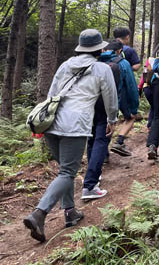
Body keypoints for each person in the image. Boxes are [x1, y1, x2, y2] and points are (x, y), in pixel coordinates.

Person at [23, 29, 118, 243]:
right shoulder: (102, 68)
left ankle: (70, 212)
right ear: (99, 49)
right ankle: (39, 214)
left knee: (64, 171)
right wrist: (112, 119)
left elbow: (51, 95)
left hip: (52, 123)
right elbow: (111, 98)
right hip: (75, 125)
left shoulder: (65, 65)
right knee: (67, 172)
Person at [81, 43, 122, 200]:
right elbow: (112, 93)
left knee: (91, 140)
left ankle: (93, 176)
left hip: (86, 107)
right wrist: (112, 118)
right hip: (103, 108)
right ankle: (90, 185)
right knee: (101, 141)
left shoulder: (74, 65)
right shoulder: (111, 67)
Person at [108, 40, 141, 157]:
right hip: (120, 96)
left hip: (101, 99)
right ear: (119, 51)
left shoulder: (98, 61)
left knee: (105, 122)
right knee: (130, 118)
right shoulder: (123, 63)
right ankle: (119, 141)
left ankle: (103, 153)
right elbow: (131, 85)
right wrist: (134, 106)